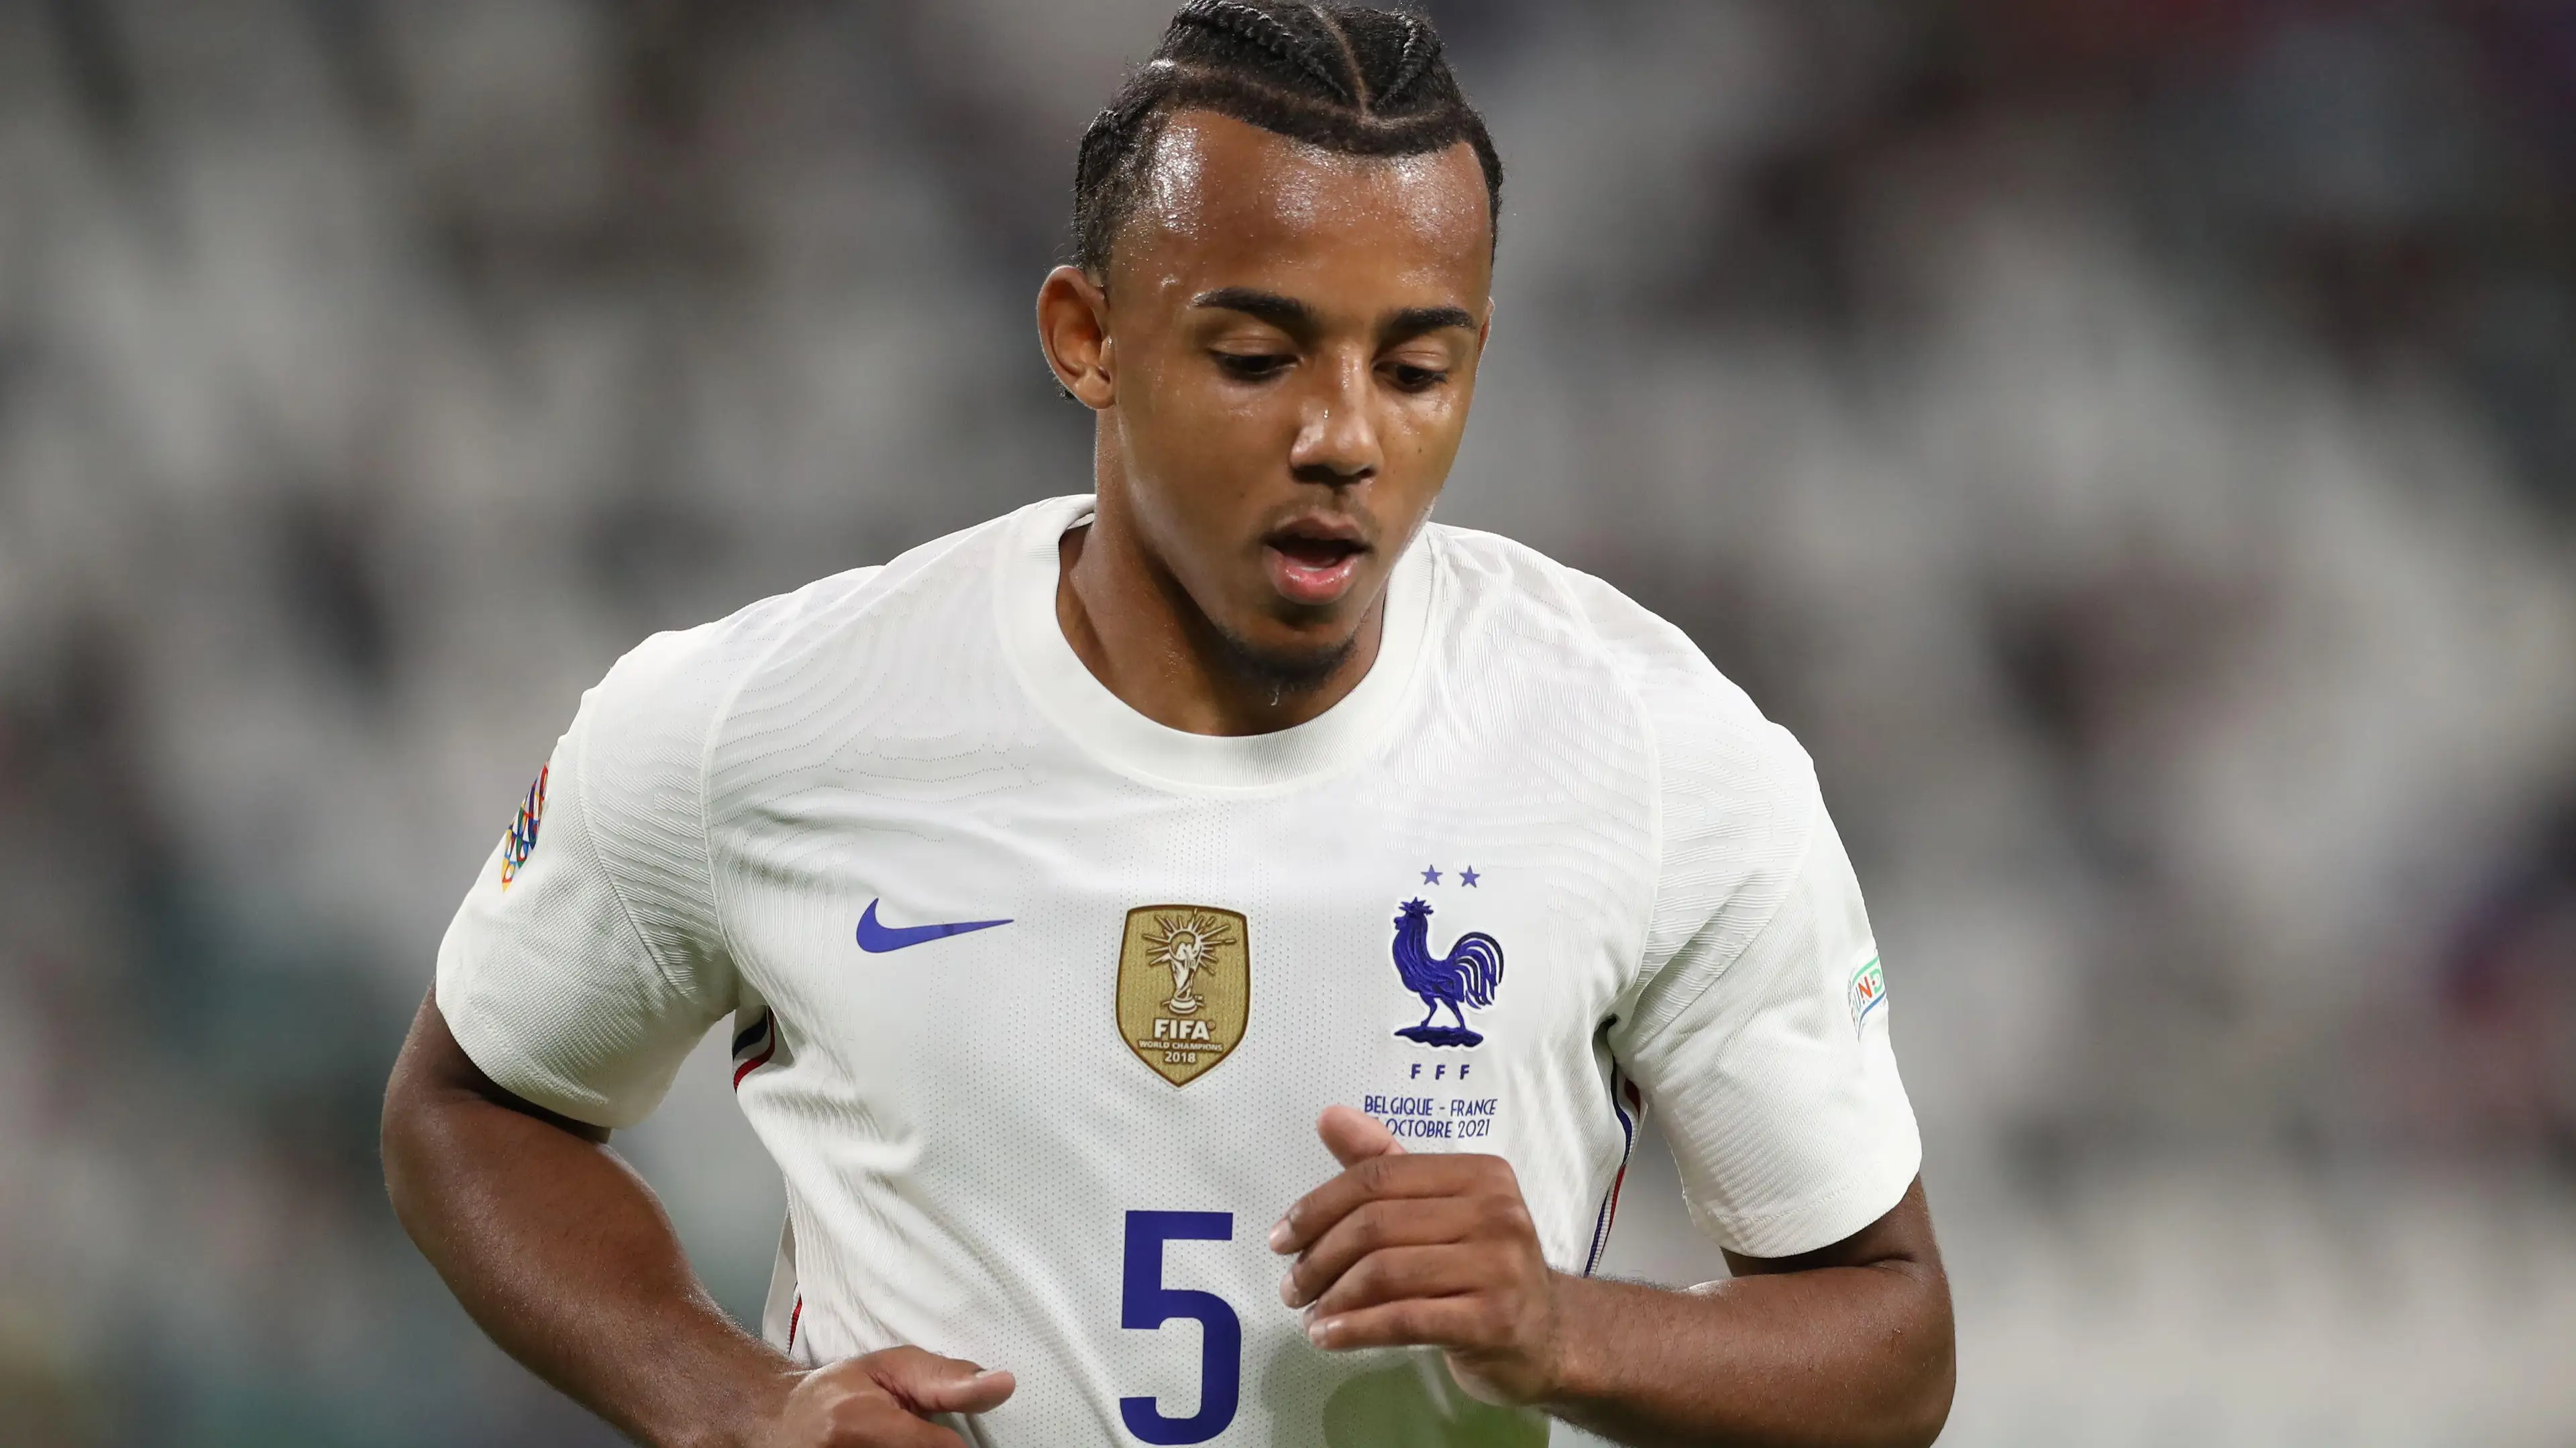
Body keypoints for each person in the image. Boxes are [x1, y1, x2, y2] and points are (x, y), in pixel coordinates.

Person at [380, 3, 1955, 1444]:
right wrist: (734, 1405)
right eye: (1259, 356)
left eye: (1417, 367)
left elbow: (1891, 1345)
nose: (1345, 436)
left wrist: (1567, 1327)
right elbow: (470, 1106)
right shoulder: (756, 722)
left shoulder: (1659, 753)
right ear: (1089, 336)